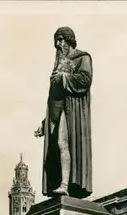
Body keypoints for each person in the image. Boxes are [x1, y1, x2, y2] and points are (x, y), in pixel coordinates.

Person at [35, 27, 93, 198]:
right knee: (57, 146)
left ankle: (65, 184)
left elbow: (85, 79)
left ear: (69, 40)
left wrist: (63, 78)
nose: (58, 44)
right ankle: (62, 183)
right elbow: (55, 98)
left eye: (61, 40)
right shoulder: (58, 64)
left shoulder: (82, 57)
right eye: (56, 41)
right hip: (58, 111)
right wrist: (45, 123)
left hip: (72, 110)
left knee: (62, 143)